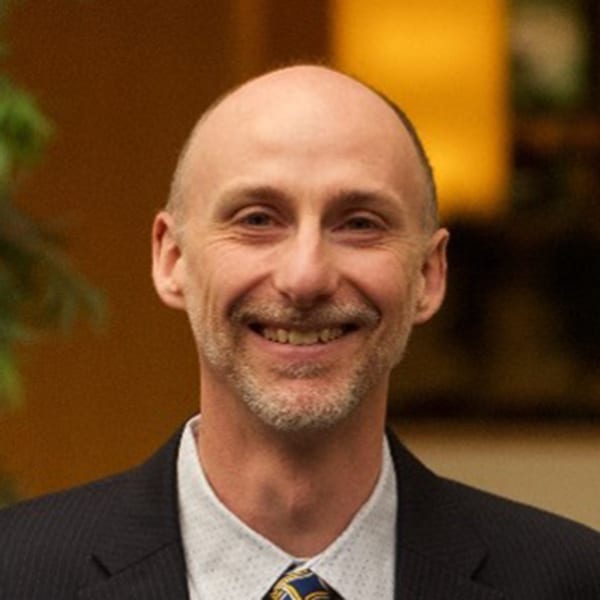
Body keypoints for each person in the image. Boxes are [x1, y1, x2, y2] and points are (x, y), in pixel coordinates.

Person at [0, 64, 599, 600]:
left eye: (360, 223)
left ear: (428, 274)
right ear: (172, 260)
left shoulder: (572, 581)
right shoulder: (16, 575)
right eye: (257, 219)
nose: (305, 276)